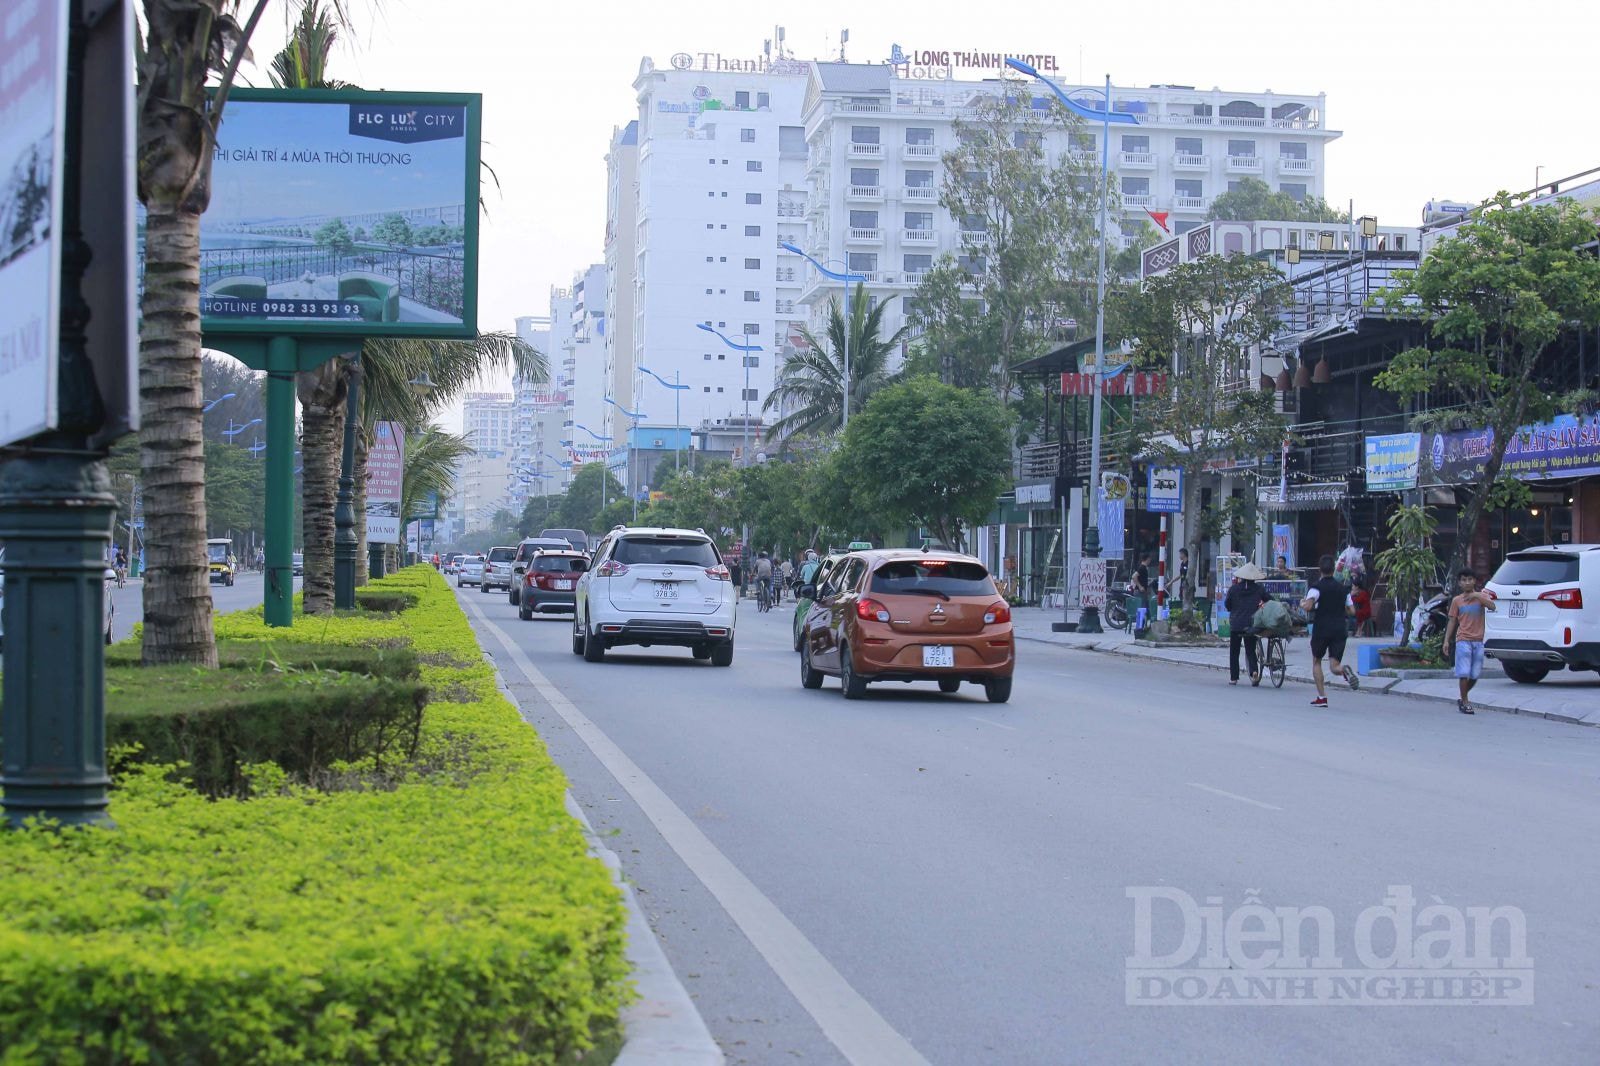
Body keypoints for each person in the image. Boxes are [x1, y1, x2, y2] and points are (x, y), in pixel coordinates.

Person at [1302, 554, 1359, 707]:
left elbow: (1308, 606)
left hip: (1322, 628)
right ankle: (1343, 670)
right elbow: (1352, 611)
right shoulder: (1343, 589)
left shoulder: (1316, 588)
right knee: (1334, 665)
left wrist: (1303, 603)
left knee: (1317, 661)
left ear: (1320, 569)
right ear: (1334, 569)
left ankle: (1322, 697)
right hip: (1340, 628)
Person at [1444, 568, 1495, 715]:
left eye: (1470, 579)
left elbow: (1492, 606)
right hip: (1463, 640)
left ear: (1474, 581)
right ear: (1459, 583)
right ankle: (1466, 701)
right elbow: (1452, 621)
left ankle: (1462, 697)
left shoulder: (1481, 596)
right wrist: (1447, 641)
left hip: (1478, 641)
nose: (1467, 582)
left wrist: (1477, 596)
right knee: (1464, 672)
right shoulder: (1457, 601)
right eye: (1464, 580)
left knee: (1475, 674)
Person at [1224, 563, 1271, 685]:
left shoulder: (1233, 589)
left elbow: (1227, 605)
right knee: (1250, 649)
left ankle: (1234, 678)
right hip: (1251, 623)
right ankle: (1254, 671)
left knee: (1234, 651)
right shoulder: (1258, 589)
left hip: (1236, 624)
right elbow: (1269, 600)